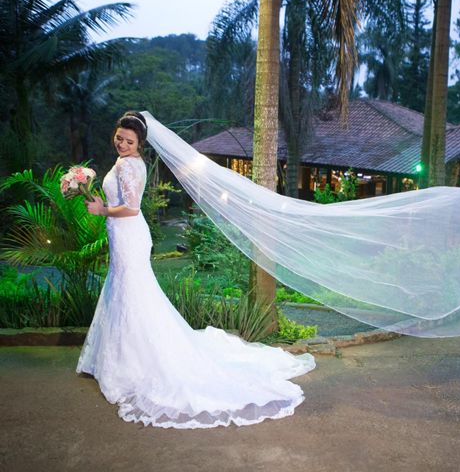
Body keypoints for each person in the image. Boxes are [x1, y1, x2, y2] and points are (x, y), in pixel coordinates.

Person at [78, 111, 316, 429]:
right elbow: (124, 199)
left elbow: (132, 208)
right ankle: (118, 360)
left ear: (140, 143)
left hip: (128, 235)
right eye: (119, 138)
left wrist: (102, 209)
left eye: (129, 141)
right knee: (126, 292)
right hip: (124, 235)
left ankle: (132, 365)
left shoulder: (128, 164)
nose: (122, 144)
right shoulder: (128, 163)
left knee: (132, 294)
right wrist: (99, 200)